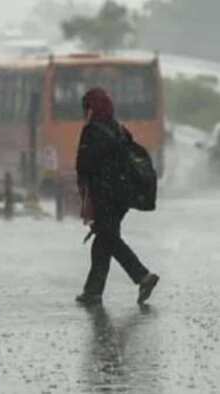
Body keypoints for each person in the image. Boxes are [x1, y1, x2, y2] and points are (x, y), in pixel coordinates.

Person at [75, 87, 160, 306]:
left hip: (103, 195)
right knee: (104, 240)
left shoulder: (91, 131)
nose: (85, 112)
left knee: (109, 239)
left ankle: (142, 276)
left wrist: (84, 194)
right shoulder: (119, 129)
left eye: (87, 107)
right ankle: (93, 291)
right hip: (123, 196)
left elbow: (84, 165)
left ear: (92, 109)